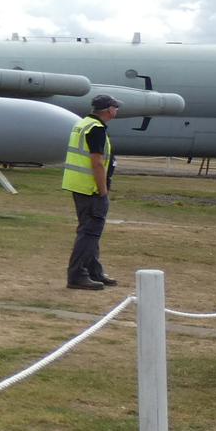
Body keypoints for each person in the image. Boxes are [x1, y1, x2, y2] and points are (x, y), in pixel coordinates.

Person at [62, 94, 122, 290]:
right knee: (89, 233)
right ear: (108, 110)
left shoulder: (84, 123)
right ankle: (77, 274)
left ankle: (94, 271)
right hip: (91, 188)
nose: (117, 110)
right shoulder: (96, 129)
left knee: (90, 231)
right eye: (115, 107)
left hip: (79, 185)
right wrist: (103, 191)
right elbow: (96, 162)